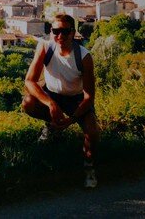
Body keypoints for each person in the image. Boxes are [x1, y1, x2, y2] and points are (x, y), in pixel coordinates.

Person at [22, 13, 100, 188]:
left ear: (73, 33)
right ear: (51, 32)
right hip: (53, 94)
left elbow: (89, 97)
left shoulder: (84, 57)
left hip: (77, 98)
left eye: (65, 32)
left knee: (92, 132)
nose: (60, 36)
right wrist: (51, 104)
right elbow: (29, 81)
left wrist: (70, 120)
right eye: (56, 31)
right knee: (27, 103)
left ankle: (89, 168)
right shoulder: (45, 47)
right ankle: (51, 126)